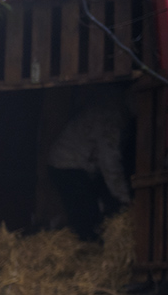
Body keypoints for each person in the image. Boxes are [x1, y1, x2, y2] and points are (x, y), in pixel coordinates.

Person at [47, 86, 134, 241]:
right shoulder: (112, 117)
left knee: (93, 205)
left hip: (77, 164)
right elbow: (109, 162)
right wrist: (124, 198)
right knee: (86, 213)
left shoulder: (115, 112)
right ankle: (88, 247)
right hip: (67, 164)